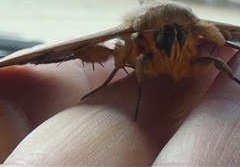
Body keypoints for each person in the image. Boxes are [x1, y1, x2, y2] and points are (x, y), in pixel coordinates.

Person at [0, 42, 240, 166]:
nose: (172, 47)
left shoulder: (194, 46)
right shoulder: (139, 48)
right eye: (166, 39)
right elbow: (122, 52)